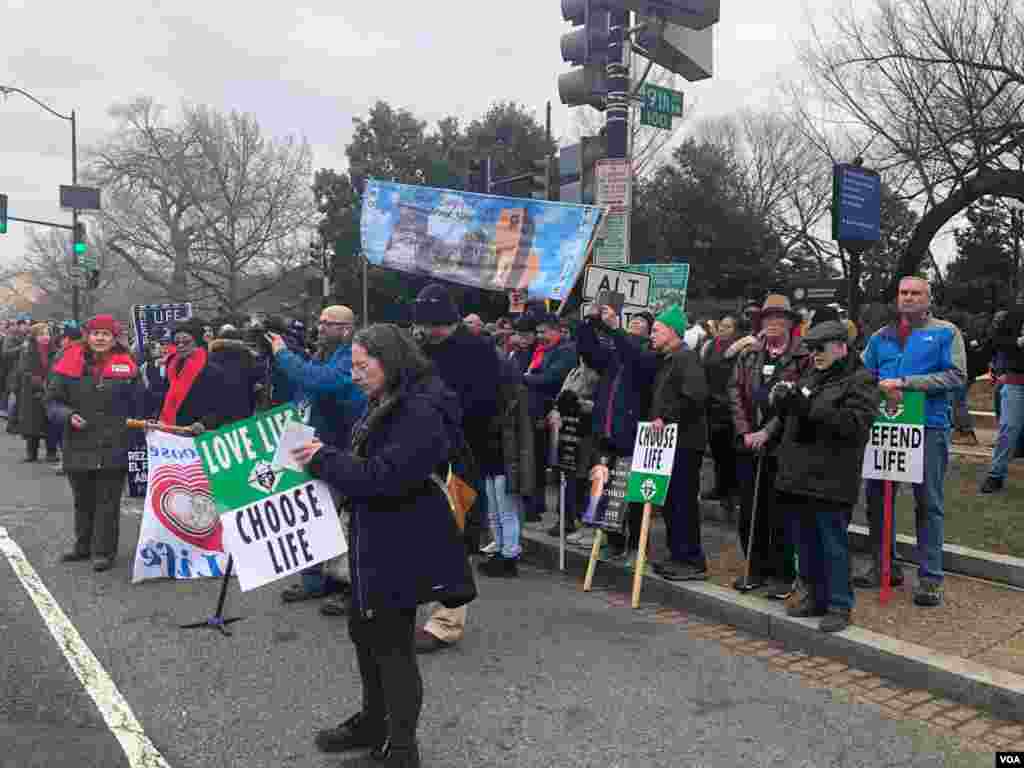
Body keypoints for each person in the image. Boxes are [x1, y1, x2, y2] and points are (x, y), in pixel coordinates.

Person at [294, 324, 472, 768]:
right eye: (351, 366)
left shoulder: (419, 410)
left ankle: (401, 751)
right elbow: (366, 462)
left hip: (401, 541)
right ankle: (374, 722)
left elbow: (384, 477)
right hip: (376, 539)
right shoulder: (387, 400)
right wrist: (320, 455)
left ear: (389, 361)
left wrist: (323, 458)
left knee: (392, 647)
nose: (354, 375)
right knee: (365, 632)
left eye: (361, 365)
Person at [858, 276, 966, 607]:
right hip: (886, 426)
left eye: (915, 293)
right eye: (903, 293)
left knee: (928, 502)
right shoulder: (881, 336)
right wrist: (875, 386)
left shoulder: (946, 332)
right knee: (877, 498)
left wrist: (908, 382)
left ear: (928, 298)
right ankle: (885, 567)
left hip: (928, 427)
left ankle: (930, 578)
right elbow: (862, 374)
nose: (908, 298)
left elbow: (957, 376)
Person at [771, 321, 879, 633]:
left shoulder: (860, 379)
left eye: (821, 347)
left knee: (833, 542)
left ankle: (839, 604)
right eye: (811, 347)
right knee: (805, 541)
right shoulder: (811, 374)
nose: (814, 353)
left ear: (841, 346)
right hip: (799, 474)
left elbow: (855, 426)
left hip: (832, 476)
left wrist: (807, 408)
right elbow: (798, 416)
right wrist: (784, 401)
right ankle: (814, 597)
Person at [411, 283, 500, 652]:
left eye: (433, 324)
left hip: (461, 454)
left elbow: (484, 406)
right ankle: (420, 606)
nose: (427, 331)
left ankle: (447, 621)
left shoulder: (478, 350)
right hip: (422, 451)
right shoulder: (421, 350)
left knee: (454, 536)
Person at [268, 305, 367, 610]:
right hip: (312, 443)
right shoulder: (322, 353)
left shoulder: (350, 357)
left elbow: (320, 382)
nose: (320, 327)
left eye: (328, 324)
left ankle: (350, 588)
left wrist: (284, 355)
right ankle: (313, 581)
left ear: (346, 329)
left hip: (341, 448)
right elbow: (302, 391)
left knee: (344, 522)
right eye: (320, 321)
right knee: (311, 515)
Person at [728, 294, 812, 594]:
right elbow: (735, 393)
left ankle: (783, 574)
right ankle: (755, 569)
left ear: (790, 323)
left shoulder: (804, 357)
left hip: (783, 445)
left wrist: (768, 432)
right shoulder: (748, 355)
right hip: (749, 443)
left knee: (779, 512)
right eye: (768, 317)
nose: (774, 322)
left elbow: (800, 398)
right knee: (749, 509)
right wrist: (746, 431)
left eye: (780, 317)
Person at [46, 315, 142, 571]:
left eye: (106, 334)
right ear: (87, 336)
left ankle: (103, 552)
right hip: (78, 442)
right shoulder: (66, 363)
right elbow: (52, 402)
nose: (100, 338)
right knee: (83, 499)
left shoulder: (128, 365)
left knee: (107, 501)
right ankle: (83, 546)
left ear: (114, 338)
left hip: (115, 442)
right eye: (96, 333)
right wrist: (67, 415)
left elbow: (139, 403)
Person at [700, 314, 742, 511]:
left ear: (735, 330)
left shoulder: (741, 347)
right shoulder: (709, 345)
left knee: (729, 451)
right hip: (711, 405)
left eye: (728, 326)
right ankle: (720, 487)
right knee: (716, 449)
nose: (724, 329)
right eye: (722, 325)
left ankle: (731, 492)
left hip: (729, 406)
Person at [980, 305, 1024, 493]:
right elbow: (996, 341)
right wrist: (1018, 342)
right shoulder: (1015, 314)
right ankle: (995, 475)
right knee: (1009, 427)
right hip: (1017, 379)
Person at [158, 319, 228, 432]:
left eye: (186, 342)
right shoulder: (171, 366)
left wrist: (203, 424)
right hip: (170, 430)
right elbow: (164, 397)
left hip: (198, 433)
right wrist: (155, 418)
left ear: (196, 342)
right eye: (176, 342)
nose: (180, 345)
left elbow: (222, 405)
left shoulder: (212, 369)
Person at [14, 322, 59, 463]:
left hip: (50, 389)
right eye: (42, 334)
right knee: (32, 423)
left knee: (50, 422)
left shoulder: (54, 349)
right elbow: (23, 369)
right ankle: (31, 452)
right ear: (34, 336)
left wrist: (51, 382)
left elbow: (58, 367)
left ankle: (51, 452)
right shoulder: (27, 349)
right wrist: (37, 380)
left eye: (47, 334)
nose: (45, 337)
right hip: (32, 390)